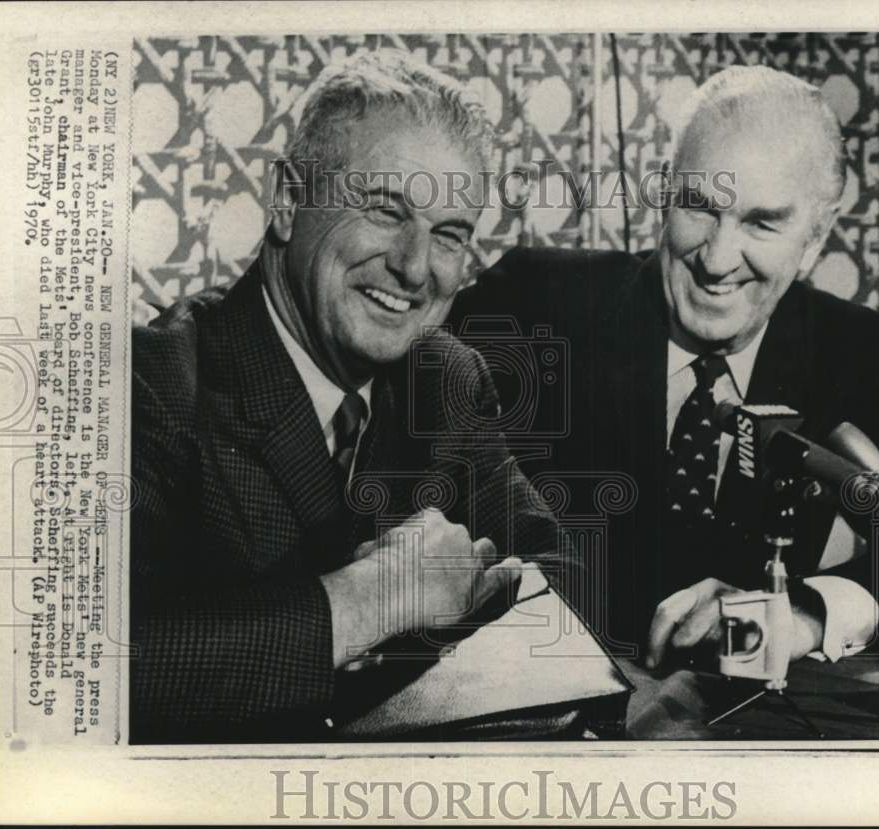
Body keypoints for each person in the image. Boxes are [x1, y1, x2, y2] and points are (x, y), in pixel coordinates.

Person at [449, 65, 879, 672]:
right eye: (698, 206)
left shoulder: (847, 346)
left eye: (762, 222)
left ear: (816, 235)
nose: (718, 260)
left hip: (736, 717)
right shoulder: (534, 303)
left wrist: (802, 613)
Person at [129, 53, 573, 743]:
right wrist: (370, 599)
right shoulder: (151, 381)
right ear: (288, 200)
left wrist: (475, 594)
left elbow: (563, 577)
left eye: (449, 235)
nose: (415, 267)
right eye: (386, 210)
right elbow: (89, 667)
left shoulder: (448, 378)